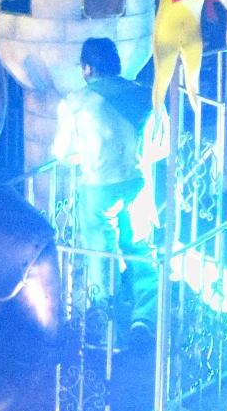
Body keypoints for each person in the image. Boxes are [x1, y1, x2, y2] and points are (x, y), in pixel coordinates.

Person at [54, 37, 153, 266]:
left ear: (88, 68)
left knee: (101, 254)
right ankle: (149, 289)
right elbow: (161, 142)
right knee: (140, 247)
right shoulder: (145, 94)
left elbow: (63, 153)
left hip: (99, 186)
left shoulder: (76, 102)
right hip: (138, 181)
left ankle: (105, 291)